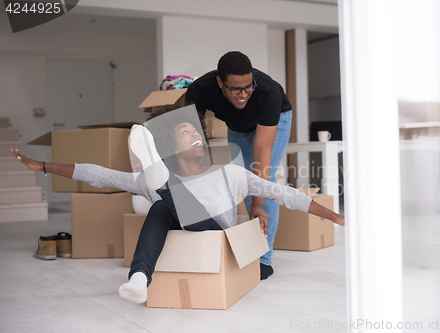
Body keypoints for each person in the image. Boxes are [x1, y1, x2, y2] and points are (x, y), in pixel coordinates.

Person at [11, 104, 344, 304]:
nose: (197, 135)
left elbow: (285, 195)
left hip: (218, 239)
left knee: (159, 192)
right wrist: (41, 166)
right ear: (173, 145)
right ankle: (140, 280)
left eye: (197, 131)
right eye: (188, 132)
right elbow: (97, 174)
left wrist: (333, 215)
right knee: (159, 205)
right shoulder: (152, 181)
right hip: (170, 204)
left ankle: (157, 179)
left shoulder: (230, 173)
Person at [185, 51, 292, 279]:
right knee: (241, 183)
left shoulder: (267, 92)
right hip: (237, 126)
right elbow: (189, 138)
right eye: (235, 89)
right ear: (219, 83)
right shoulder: (200, 90)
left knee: (264, 183)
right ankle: (246, 248)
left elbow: (262, 151)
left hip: (275, 119)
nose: (243, 95)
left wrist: (258, 205)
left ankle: (263, 259)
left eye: (247, 87)